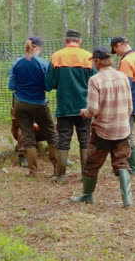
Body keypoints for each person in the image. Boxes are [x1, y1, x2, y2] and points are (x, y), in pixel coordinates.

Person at [70, 46, 134, 207]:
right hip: (123, 129)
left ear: (97, 61)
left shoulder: (95, 80)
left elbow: (93, 109)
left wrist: (85, 112)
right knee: (122, 164)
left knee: (92, 164)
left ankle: (87, 195)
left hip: (102, 131)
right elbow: (130, 106)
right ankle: (128, 200)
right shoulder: (122, 77)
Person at [45, 29, 96, 183]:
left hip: (65, 106)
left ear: (65, 41)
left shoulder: (57, 56)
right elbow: (94, 81)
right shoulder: (88, 57)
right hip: (84, 106)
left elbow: (49, 83)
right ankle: (86, 175)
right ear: (79, 41)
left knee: (63, 139)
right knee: (85, 138)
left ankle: (60, 175)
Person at [8, 36, 59, 177]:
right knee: (51, 133)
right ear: (38, 47)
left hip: (20, 103)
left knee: (27, 135)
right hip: (39, 103)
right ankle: (57, 168)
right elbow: (48, 87)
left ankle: (32, 171)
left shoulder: (17, 63)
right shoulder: (43, 63)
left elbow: (11, 86)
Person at [110, 36, 135, 175]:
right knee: (129, 132)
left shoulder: (127, 61)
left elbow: (124, 85)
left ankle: (132, 167)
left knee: (127, 134)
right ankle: (131, 166)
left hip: (129, 103)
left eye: (116, 50)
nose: (117, 53)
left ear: (119, 45)